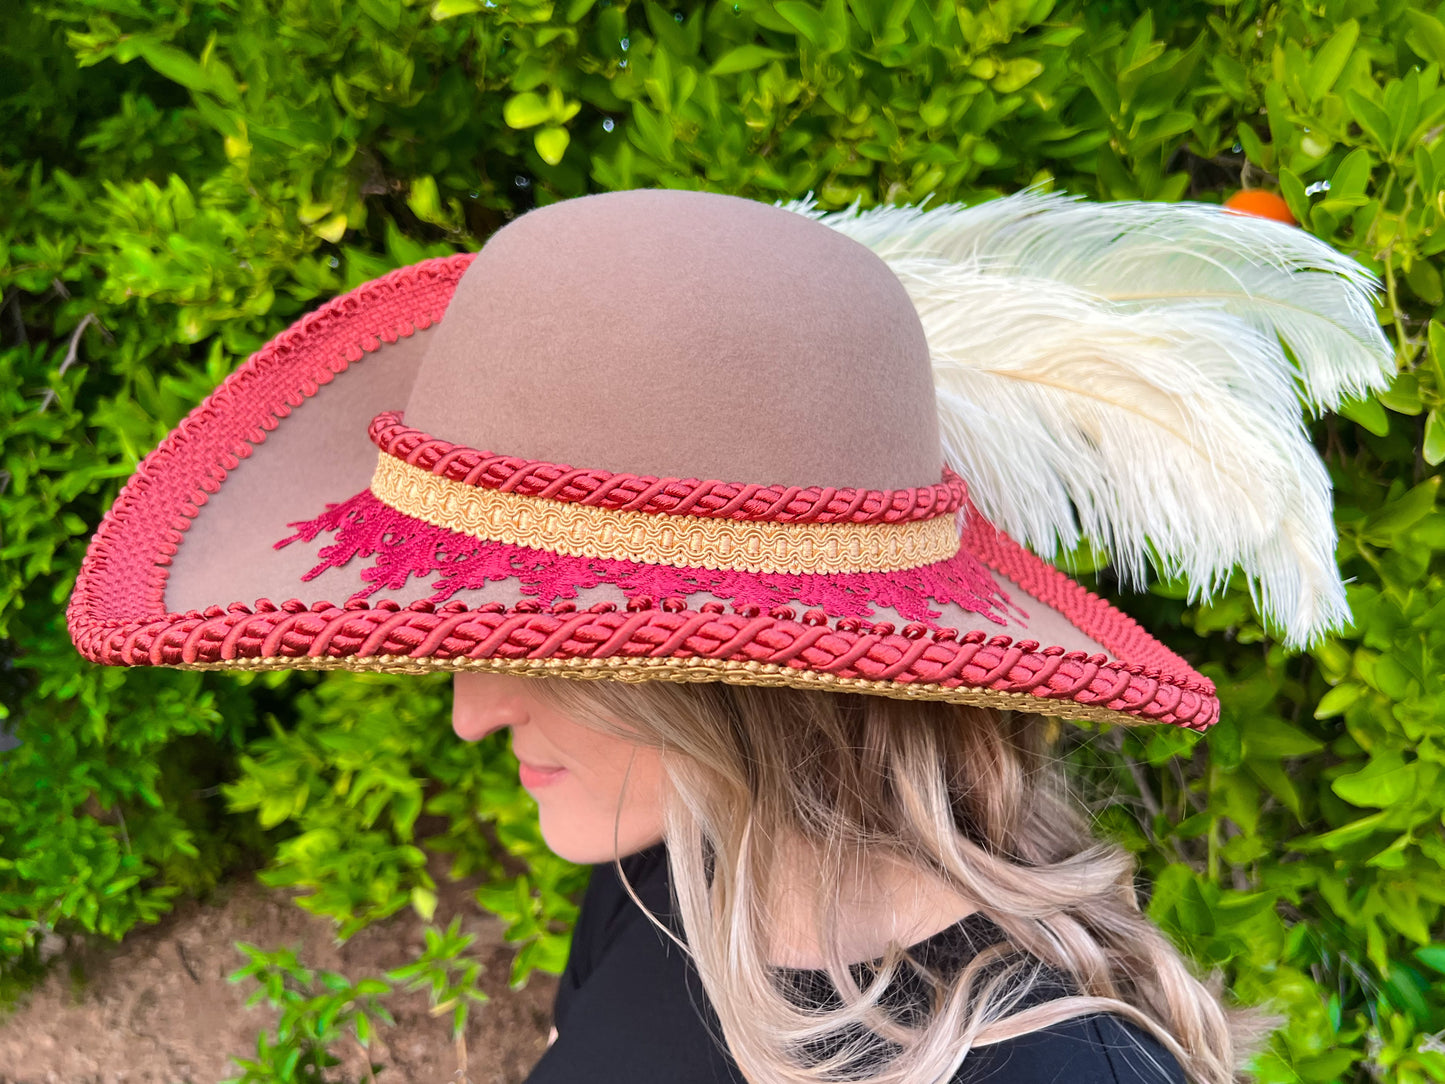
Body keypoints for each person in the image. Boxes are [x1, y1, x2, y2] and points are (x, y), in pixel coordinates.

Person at [69, 187, 1393, 1083]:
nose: (467, 712)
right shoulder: (674, 870)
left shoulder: (1043, 1068)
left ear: (735, 677)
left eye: (541, 645)